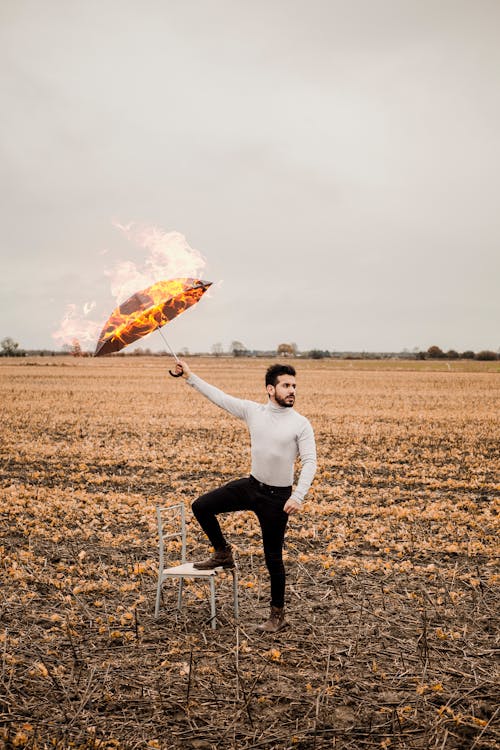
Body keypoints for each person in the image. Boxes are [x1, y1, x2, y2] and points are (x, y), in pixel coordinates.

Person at [173, 359, 317, 633]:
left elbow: (310, 462)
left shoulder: (301, 424)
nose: (292, 390)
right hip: (252, 487)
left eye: (294, 386)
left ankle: (277, 615)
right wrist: (189, 376)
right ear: (270, 389)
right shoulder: (254, 412)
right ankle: (223, 552)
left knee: (272, 558)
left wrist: (298, 496)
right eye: (286, 385)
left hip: (278, 498)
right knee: (201, 506)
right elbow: (220, 398)